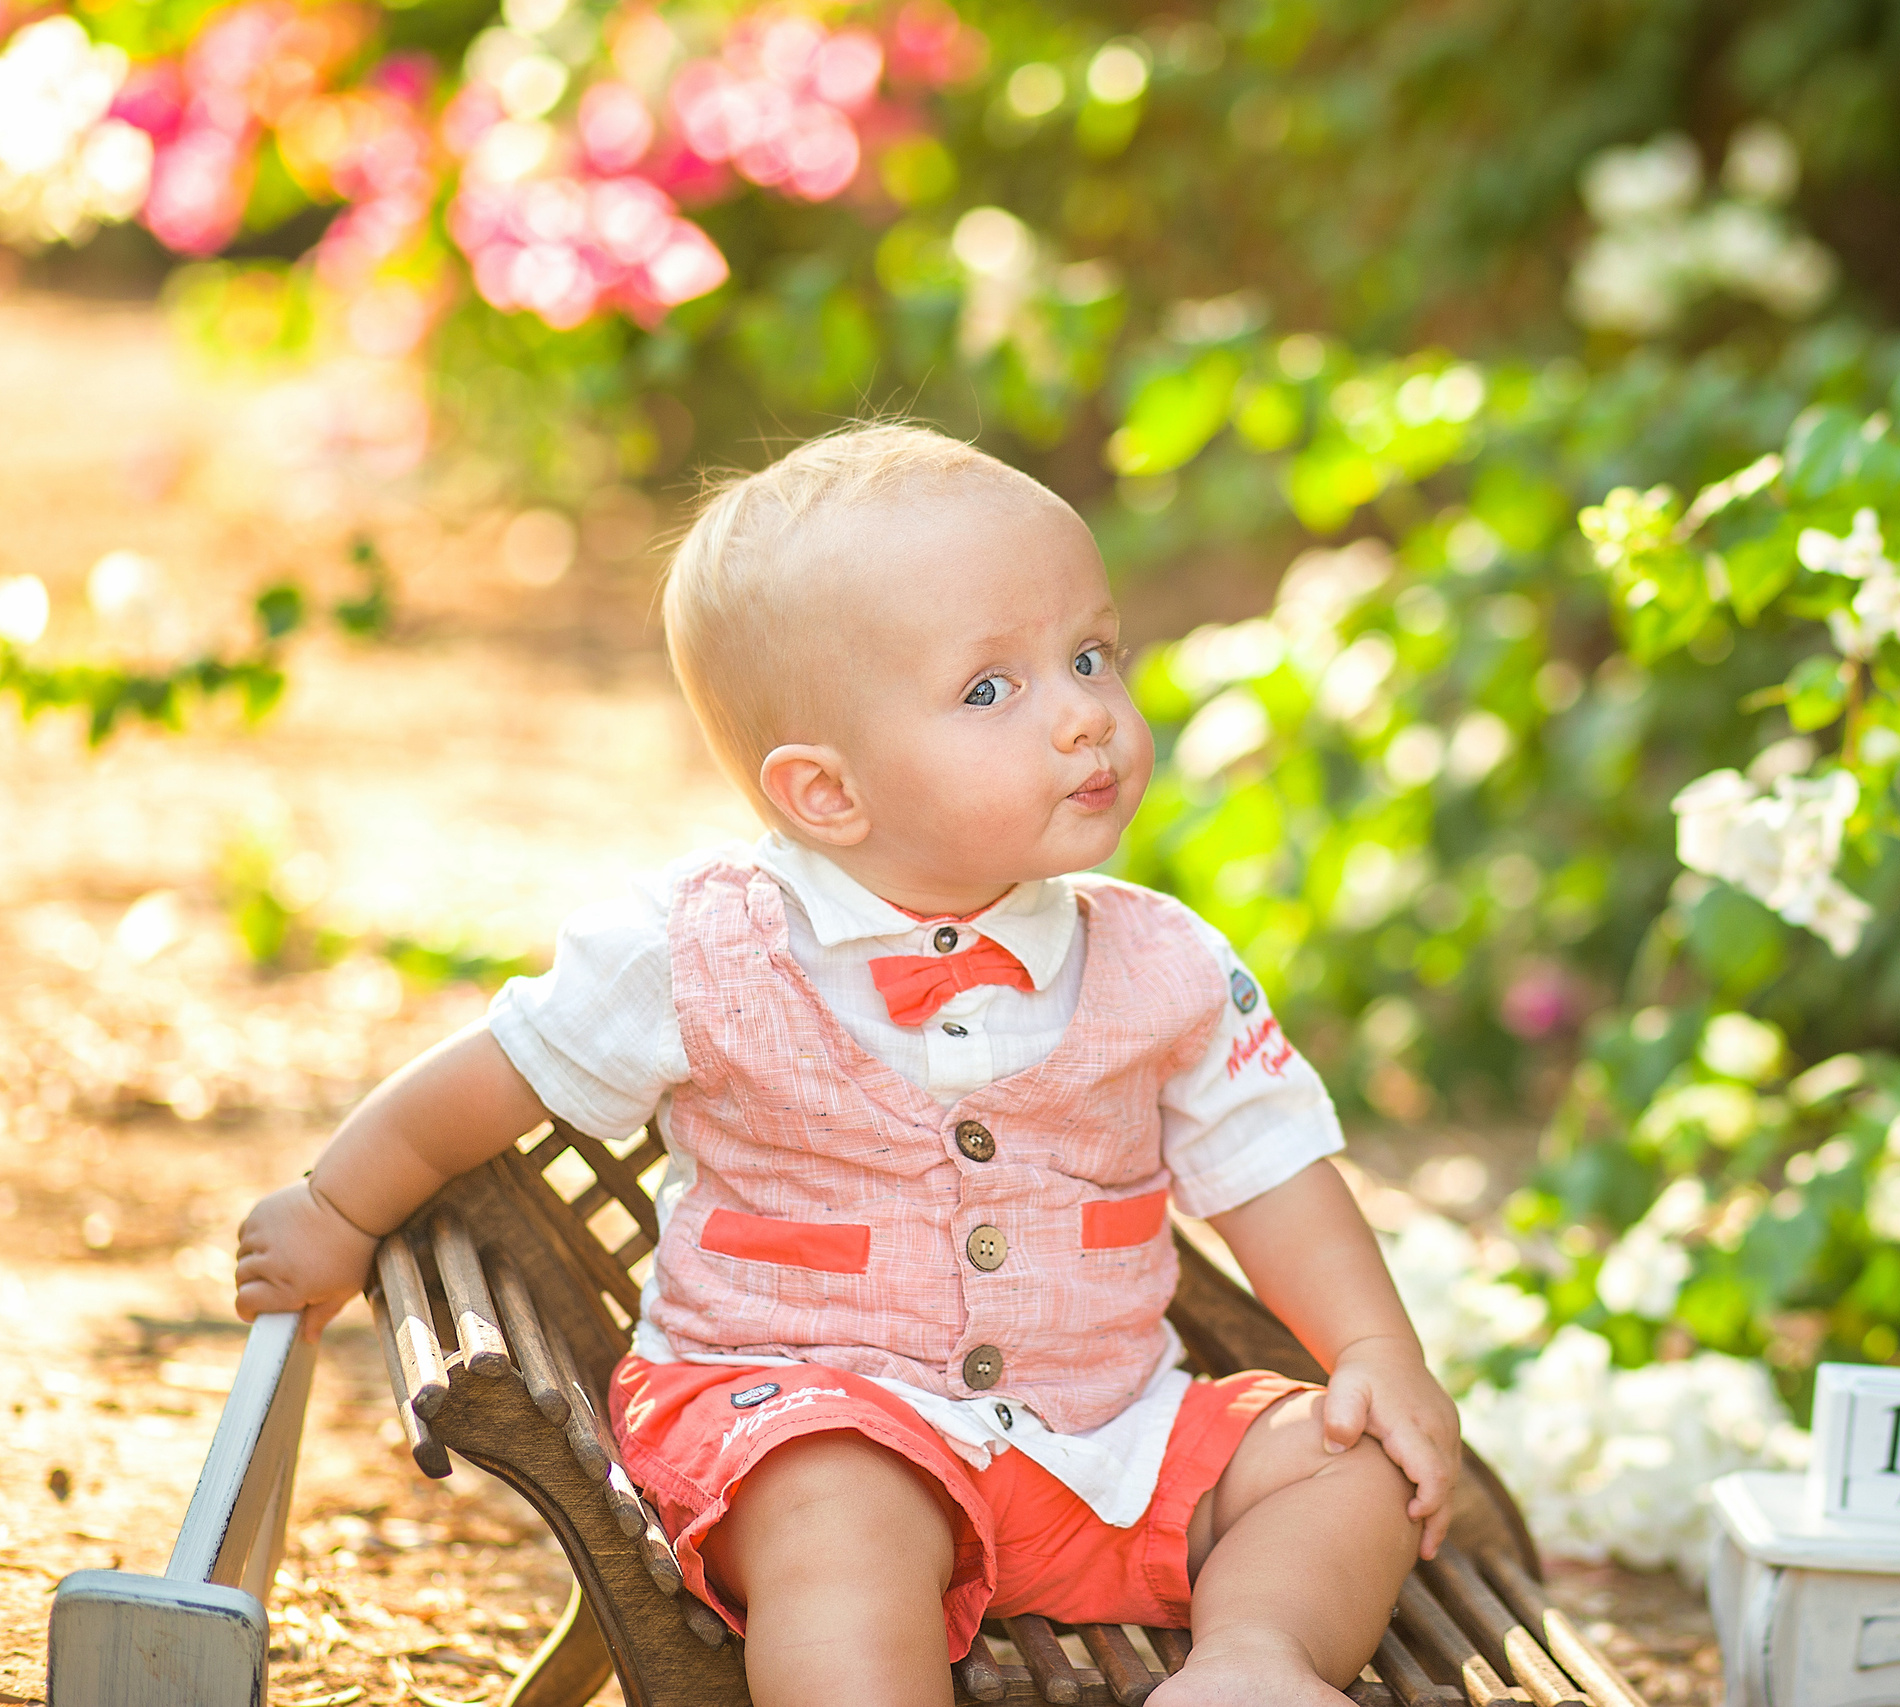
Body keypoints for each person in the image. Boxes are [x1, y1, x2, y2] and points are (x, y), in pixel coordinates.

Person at [232, 423, 1459, 1707]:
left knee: (1348, 1461)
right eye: (992, 689)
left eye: (1092, 656)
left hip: (1107, 1442)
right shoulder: (695, 947)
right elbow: (481, 1084)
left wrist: (1373, 1348)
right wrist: (334, 1213)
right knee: (839, 1513)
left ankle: (1253, 1663)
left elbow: (1272, 1168)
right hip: (800, 1420)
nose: (1087, 716)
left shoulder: (1165, 961)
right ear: (826, 793)